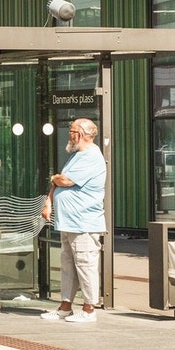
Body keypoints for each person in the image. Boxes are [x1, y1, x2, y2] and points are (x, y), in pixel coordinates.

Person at [40, 118, 108, 323]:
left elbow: (66, 180)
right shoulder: (76, 155)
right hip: (69, 221)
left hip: (84, 221)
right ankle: (65, 306)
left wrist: (55, 178)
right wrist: (49, 202)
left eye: (72, 131)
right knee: (68, 265)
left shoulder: (92, 156)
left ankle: (89, 309)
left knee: (85, 264)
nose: (69, 134)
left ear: (82, 134)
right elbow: (60, 182)